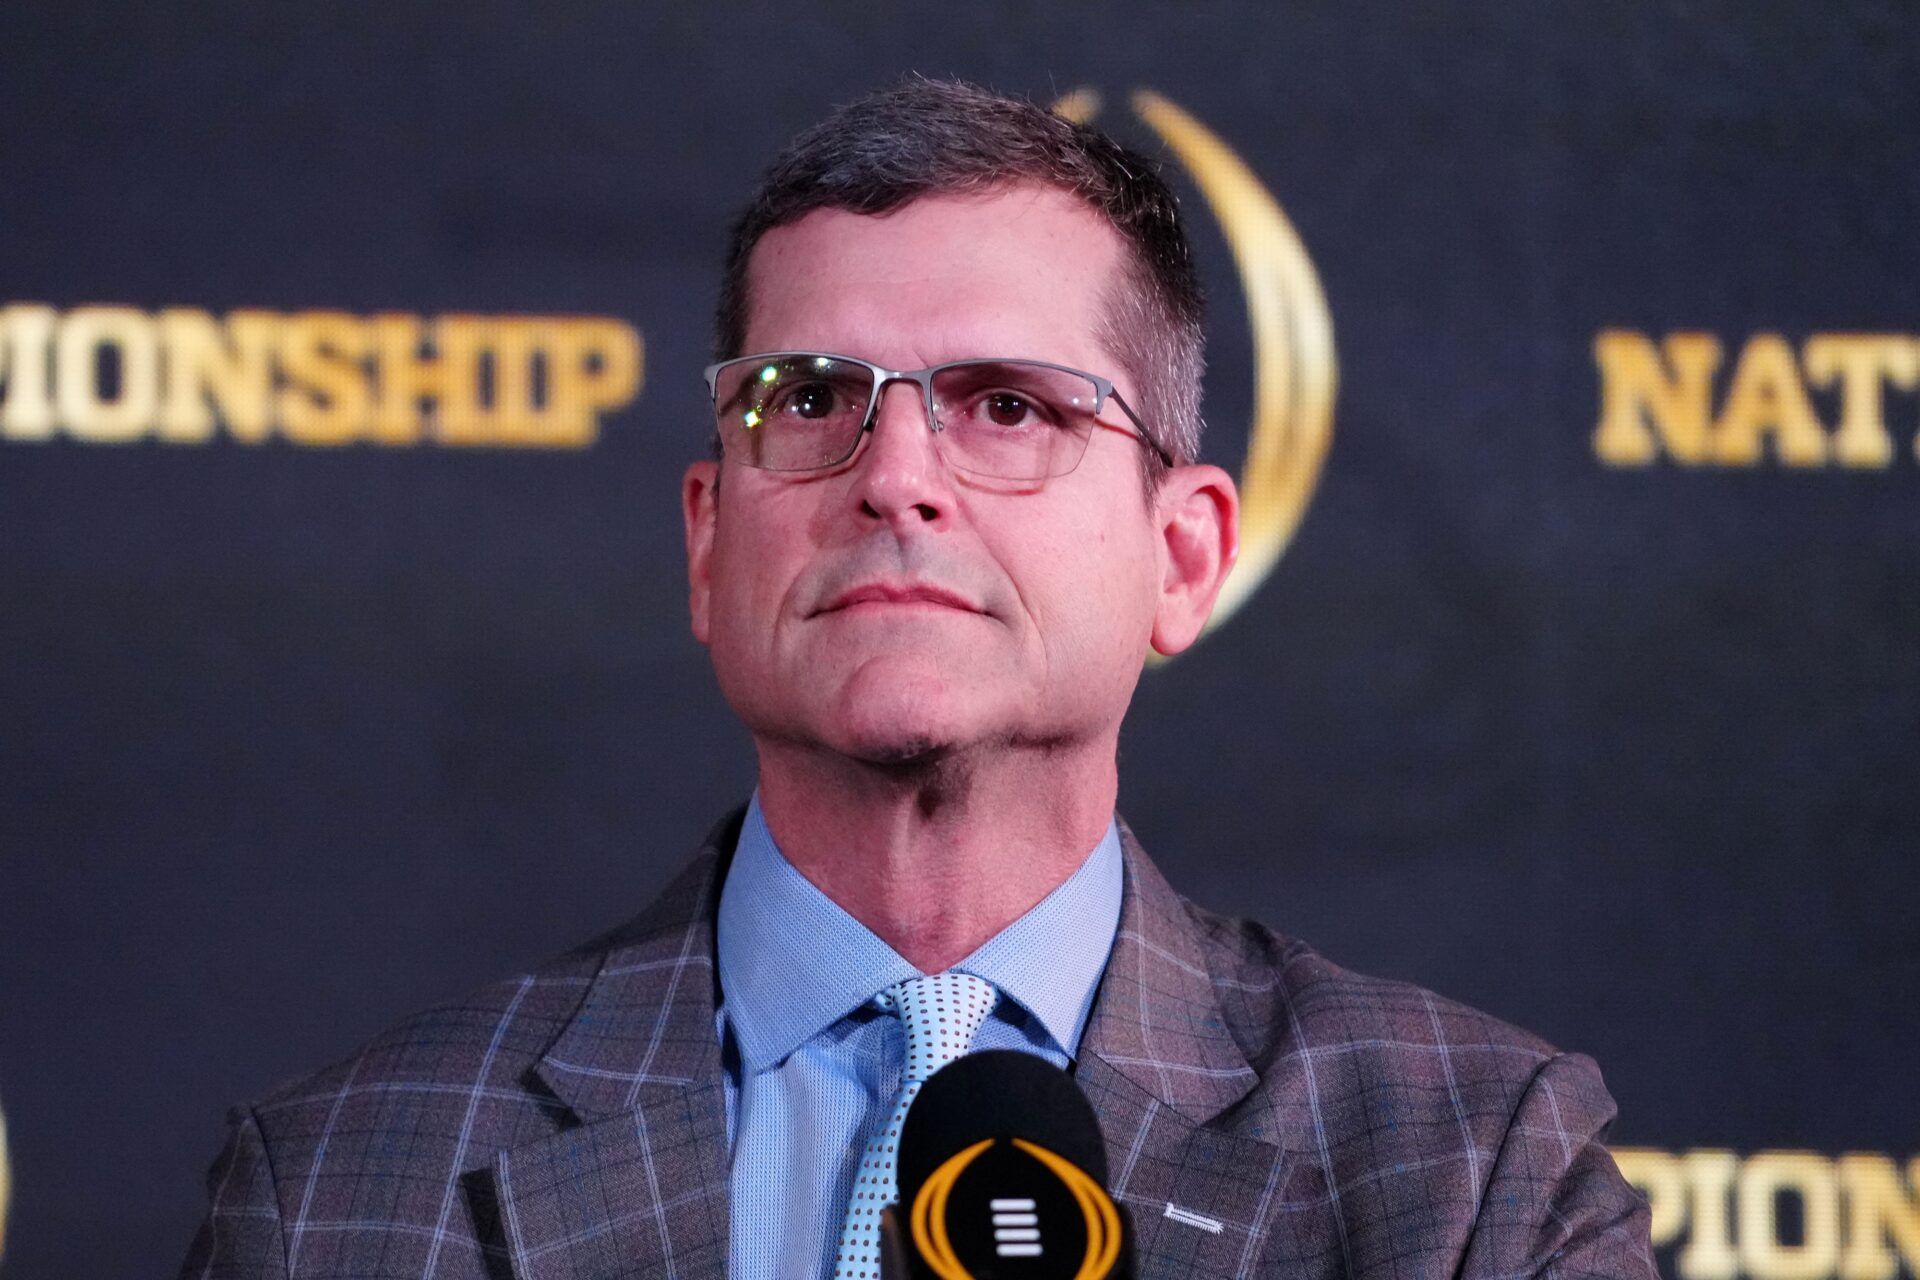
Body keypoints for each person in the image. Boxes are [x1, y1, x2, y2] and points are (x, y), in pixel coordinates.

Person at [179, 78, 1655, 1280]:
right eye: (807, 400)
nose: (895, 480)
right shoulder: (338, 1196)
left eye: (1006, 406)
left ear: (1186, 554)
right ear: (708, 544)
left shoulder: (1474, 1175)